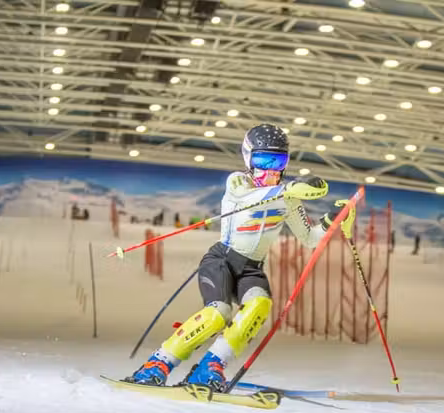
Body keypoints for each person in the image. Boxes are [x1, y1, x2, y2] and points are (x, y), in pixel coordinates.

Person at [126, 123, 356, 390]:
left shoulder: (289, 201)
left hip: (252, 268)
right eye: (263, 159)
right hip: (222, 260)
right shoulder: (238, 182)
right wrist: (290, 189)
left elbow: (309, 239)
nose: (270, 168)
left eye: (278, 160)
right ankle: (158, 364)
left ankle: (211, 365)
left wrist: (332, 220)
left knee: (259, 306)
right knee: (217, 315)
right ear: (248, 157)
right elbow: (248, 199)